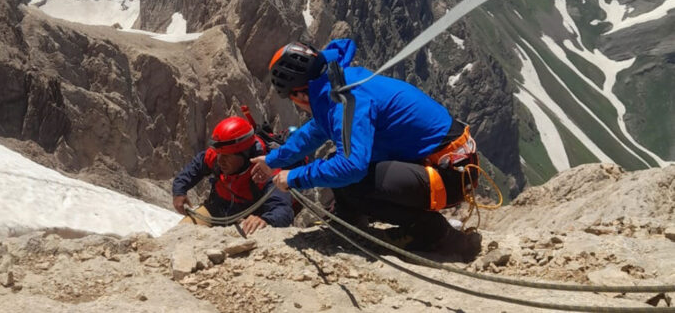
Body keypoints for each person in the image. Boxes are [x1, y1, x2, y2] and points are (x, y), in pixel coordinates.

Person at [251, 39, 482, 261]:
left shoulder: (348, 100)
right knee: (339, 168)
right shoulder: (337, 84)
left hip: (449, 176)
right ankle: (352, 221)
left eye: (293, 99)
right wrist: (272, 160)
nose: (298, 106)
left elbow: (352, 167)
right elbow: (314, 132)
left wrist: (294, 177)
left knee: (351, 180)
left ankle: (433, 233)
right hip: (448, 165)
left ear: (300, 94)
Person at [172, 116, 294, 235]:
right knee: (181, 233)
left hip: (248, 219)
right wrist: (179, 190)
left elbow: (282, 209)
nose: (220, 160)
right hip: (217, 209)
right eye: (219, 154)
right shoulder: (217, 155)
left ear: (245, 154)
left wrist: (266, 220)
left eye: (226, 156)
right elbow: (196, 166)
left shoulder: (265, 172)